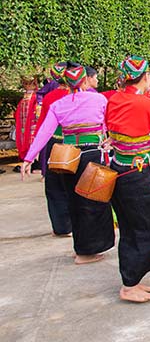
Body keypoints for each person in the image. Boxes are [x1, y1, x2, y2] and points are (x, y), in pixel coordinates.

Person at [21, 65, 115, 264]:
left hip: (69, 158)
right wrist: (112, 139)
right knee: (95, 203)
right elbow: (111, 123)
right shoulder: (99, 99)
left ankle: (80, 248)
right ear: (84, 81)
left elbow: (45, 133)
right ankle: (87, 252)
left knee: (74, 203)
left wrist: (29, 158)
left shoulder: (59, 104)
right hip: (92, 155)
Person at [106, 56, 150, 303]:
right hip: (138, 173)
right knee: (147, 226)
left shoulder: (113, 100)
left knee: (129, 226)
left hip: (118, 168)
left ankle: (132, 279)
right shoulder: (148, 105)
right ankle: (129, 284)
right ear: (145, 77)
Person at [35, 61, 72, 236]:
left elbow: (43, 126)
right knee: (74, 184)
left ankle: (60, 227)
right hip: (75, 144)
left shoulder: (49, 97)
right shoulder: (85, 95)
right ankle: (75, 224)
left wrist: (34, 151)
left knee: (54, 187)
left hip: (54, 144)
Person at [14, 76, 39, 172]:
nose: (28, 86)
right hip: (25, 126)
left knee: (33, 144)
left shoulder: (35, 97)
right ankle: (31, 165)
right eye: (26, 84)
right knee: (28, 144)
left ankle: (35, 165)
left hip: (32, 125)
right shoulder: (25, 98)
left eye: (30, 83)